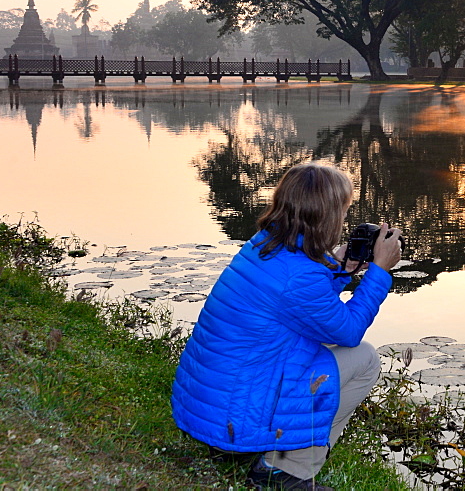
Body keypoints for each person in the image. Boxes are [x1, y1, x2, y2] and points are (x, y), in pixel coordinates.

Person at [171, 162, 402, 490]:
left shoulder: (266, 243)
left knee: (321, 352)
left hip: (211, 408)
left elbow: (303, 305)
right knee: (364, 358)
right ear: (326, 214)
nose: (343, 217)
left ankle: (250, 451)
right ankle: (284, 471)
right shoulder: (300, 275)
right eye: (343, 209)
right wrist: (378, 271)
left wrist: (341, 267)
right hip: (231, 418)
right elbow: (348, 330)